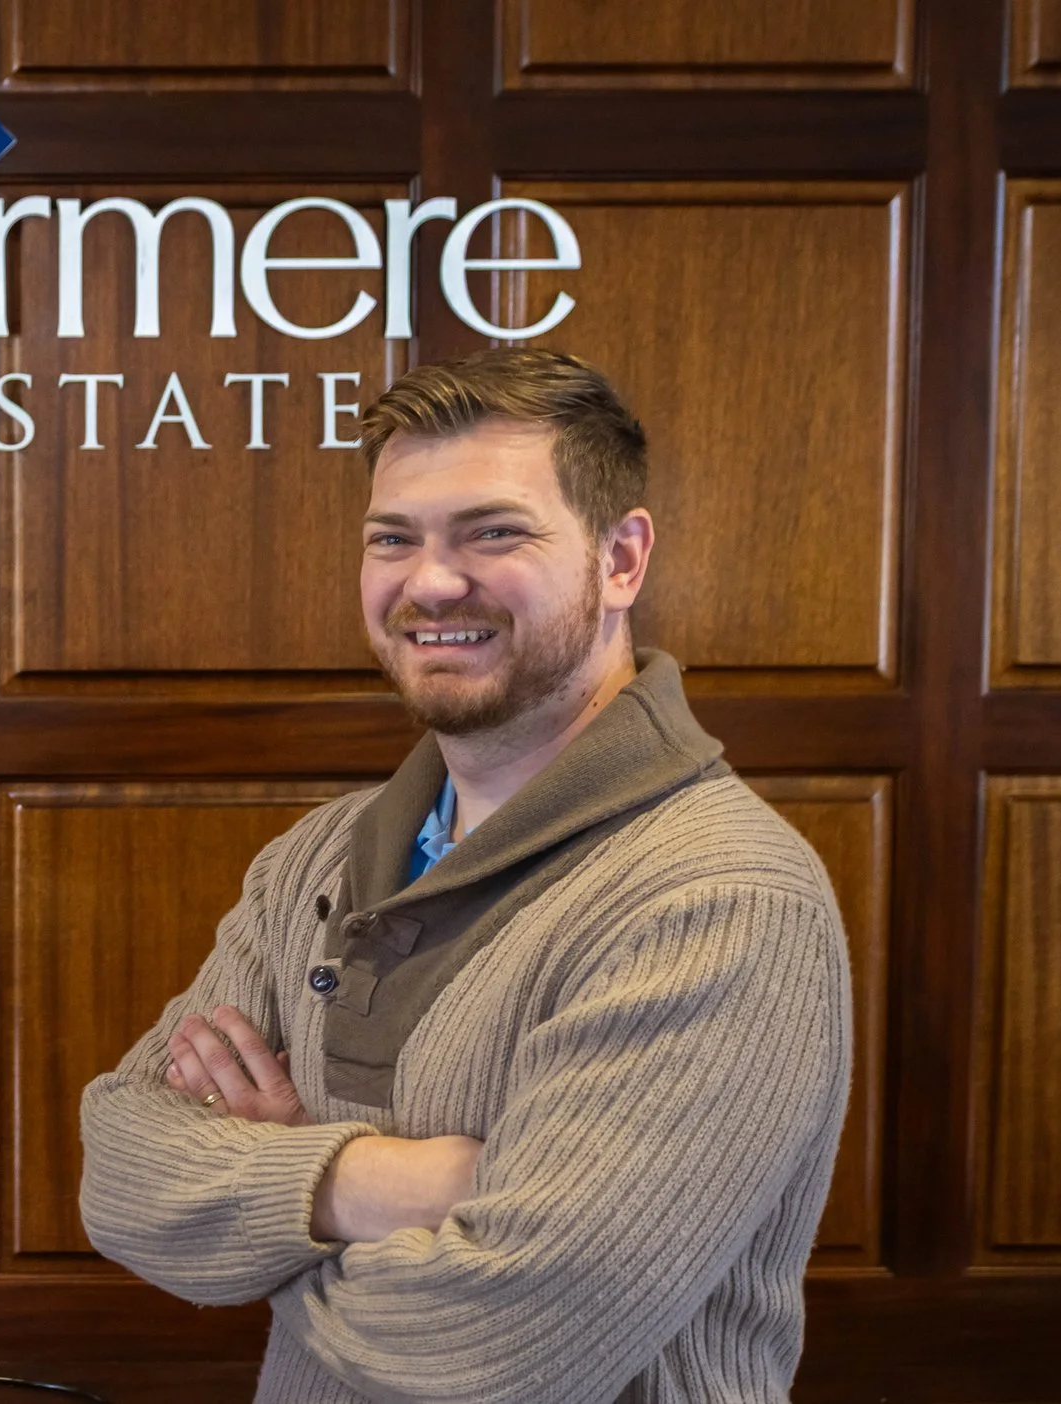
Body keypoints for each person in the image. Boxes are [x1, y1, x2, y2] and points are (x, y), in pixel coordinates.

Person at [79, 348, 851, 1403]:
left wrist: (269, 1205)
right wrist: (372, 1182)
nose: (431, 582)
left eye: (494, 532)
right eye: (392, 539)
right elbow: (123, 1172)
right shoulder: (312, 858)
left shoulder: (717, 898)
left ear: (620, 560)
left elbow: (497, 1351)